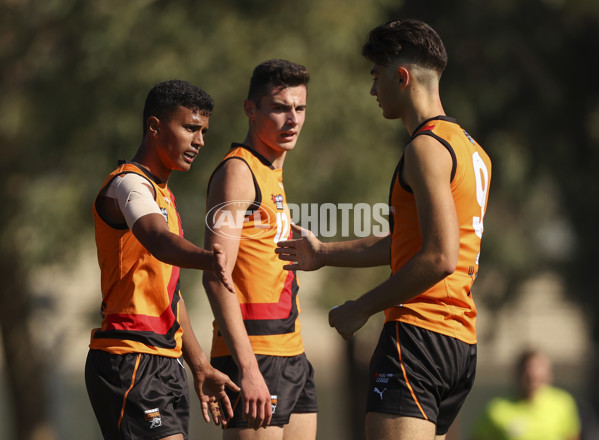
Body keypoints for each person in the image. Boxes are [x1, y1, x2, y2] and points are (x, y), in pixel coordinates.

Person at [276, 19, 492, 440]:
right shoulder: (472, 149)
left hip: (418, 337)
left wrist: (363, 306)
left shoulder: (426, 147)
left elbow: (440, 256)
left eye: (376, 78)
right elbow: (409, 243)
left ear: (402, 77)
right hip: (458, 344)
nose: (373, 91)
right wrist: (324, 253)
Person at [85, 79, 240, 440]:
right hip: (128, 357)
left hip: (165, 361)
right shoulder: (128, 184)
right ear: (155, 127)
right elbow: (157, 239)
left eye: (203, 131)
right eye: (190, 128)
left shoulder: (163, 196)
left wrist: (199, 365)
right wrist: (208, 259)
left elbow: (168, 295)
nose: (200, 141)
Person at [202, 59, 317, 439]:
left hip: (293, 352)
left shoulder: (273, 172)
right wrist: (248, 369)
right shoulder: (238, 171)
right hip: (254, 358)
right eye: (280, 107)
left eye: (299, 108)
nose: (293, 119)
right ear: (250, 109)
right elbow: (216, 278)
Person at [471, 349, 581, 440]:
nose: (533, 379)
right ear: (519, 374)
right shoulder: (497, 409)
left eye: (538, 376)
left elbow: (571, 436)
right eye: (529, 376)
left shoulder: (563, 403)